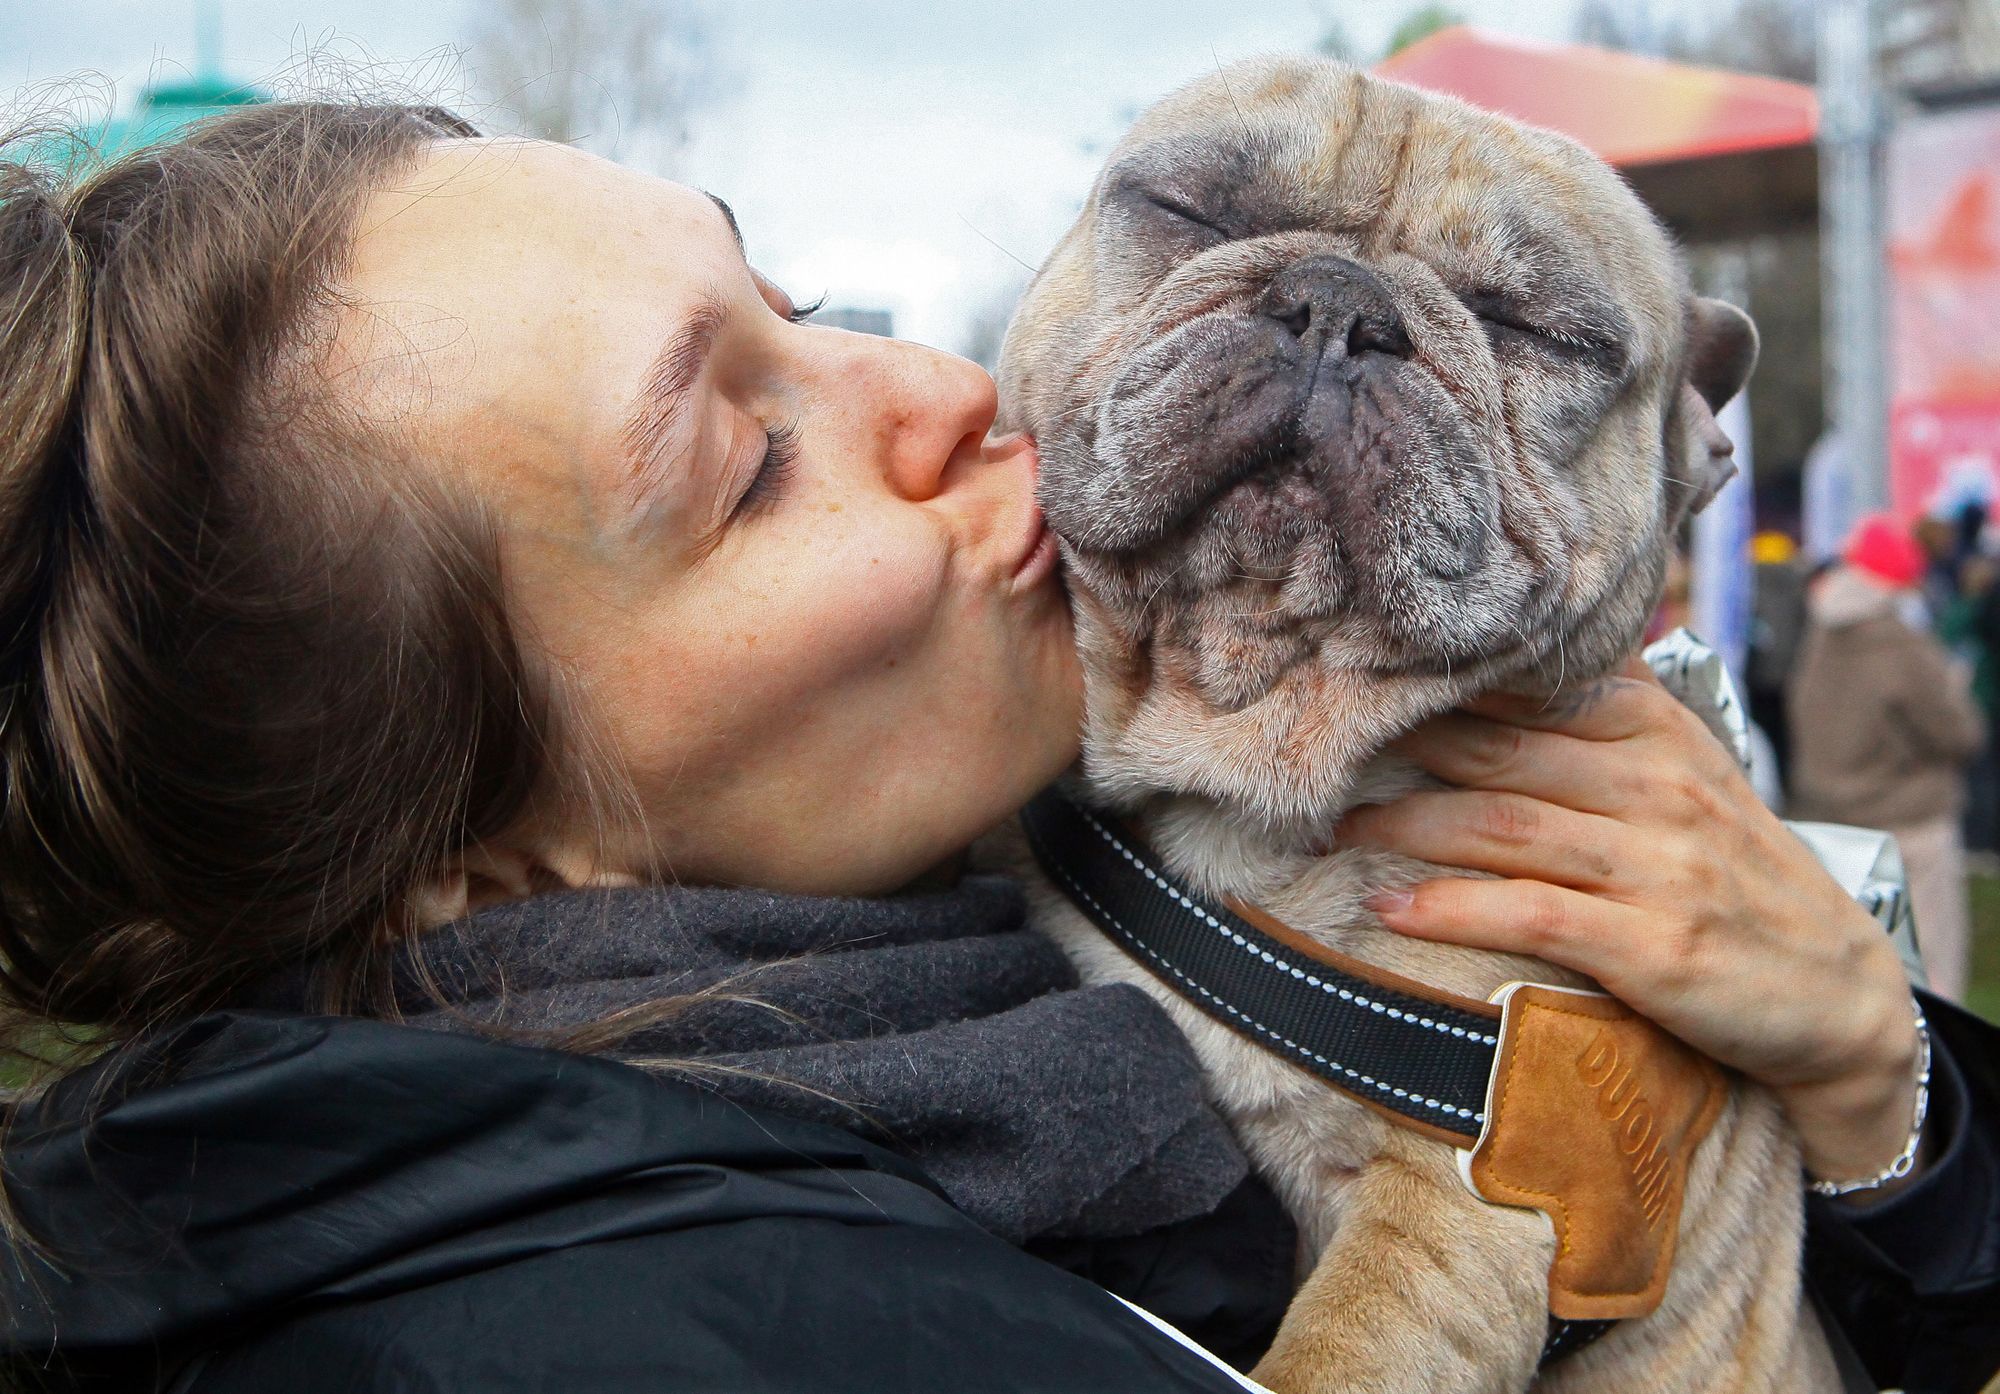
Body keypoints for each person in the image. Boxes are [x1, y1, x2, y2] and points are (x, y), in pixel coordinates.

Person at [0, 102, 1994, 1394]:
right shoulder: (797, 1334)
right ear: (484, 863)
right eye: (750, 461)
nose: (939, 385)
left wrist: (1883, 1095)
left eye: (791, 300)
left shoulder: (960, 981)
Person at [1789, 514, 1986, 1006]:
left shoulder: (1818, 635)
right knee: (1930, 970)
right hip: (1910, 825)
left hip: (1835, 826)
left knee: (1852, 975)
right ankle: (1935, 1056)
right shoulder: (1900, 645)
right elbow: (1961, 734)